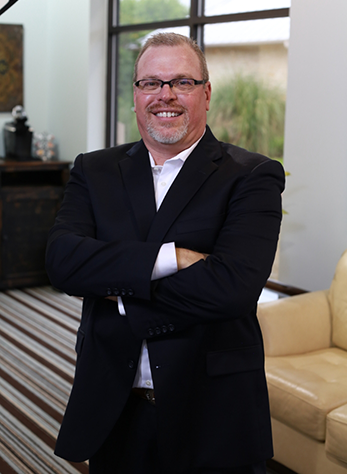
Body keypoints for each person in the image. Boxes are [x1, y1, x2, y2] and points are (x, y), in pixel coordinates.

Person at [46, 32, 285, 474]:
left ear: (206, 93)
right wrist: (171, 259)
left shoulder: (252, 176)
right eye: (151, 83)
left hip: (212, 408)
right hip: (116, 404)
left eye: (182, 82)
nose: (166, 95)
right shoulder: (94, 170)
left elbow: (232, 289)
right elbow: (62, 262)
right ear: (135, 95)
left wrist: (117, 294)